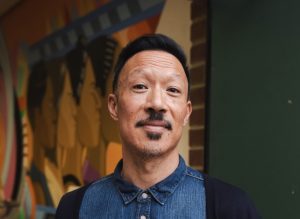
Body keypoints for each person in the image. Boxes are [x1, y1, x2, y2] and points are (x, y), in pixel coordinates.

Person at [55, 34, 261, 219]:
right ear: (114, 105)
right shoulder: (74, 208)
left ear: (187, 112)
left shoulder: (231, 207)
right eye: (140, 86)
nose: (157, 103)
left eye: (172, 89)